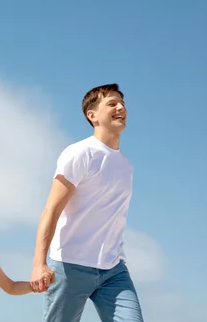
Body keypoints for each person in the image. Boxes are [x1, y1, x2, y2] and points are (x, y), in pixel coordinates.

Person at [30, 83, 144, 322]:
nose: (121, 107)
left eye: (122, 103)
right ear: (92, 116)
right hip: (70, 266)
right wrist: (39, 264)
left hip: (113, 270)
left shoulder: (126, 165)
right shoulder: (79, 153)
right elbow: (51, 210)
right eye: (111, 103)